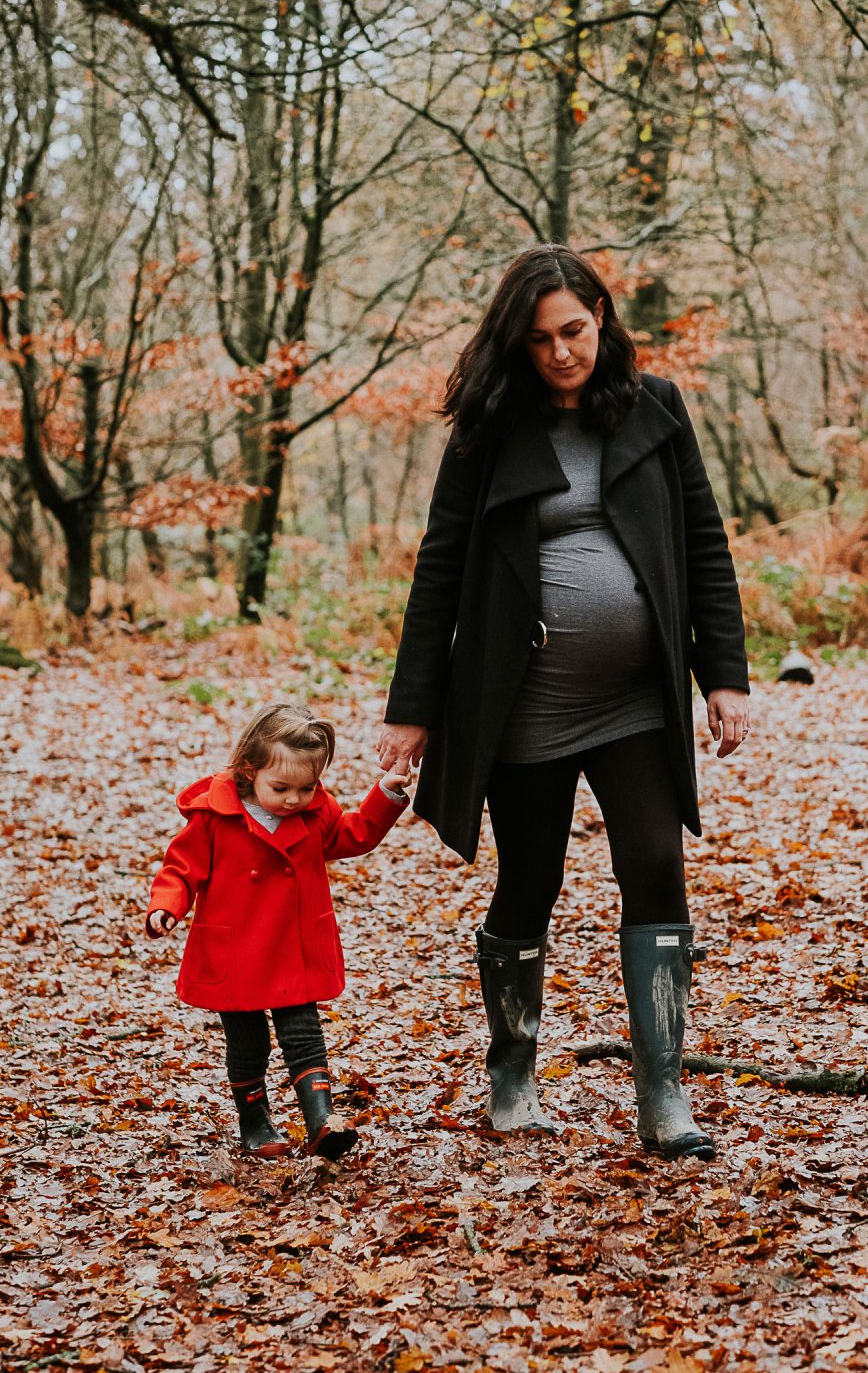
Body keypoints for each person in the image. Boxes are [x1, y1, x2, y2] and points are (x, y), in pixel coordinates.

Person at [378, 245, 750, 1162]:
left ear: (602, 316)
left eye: (575, 331)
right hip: (526, 704)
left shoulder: (655, 407)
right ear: (520, 343)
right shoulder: (490, 429)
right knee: (529, 883)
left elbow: (704, 541)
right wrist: (411, 706)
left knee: (657, 866)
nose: (561, 353)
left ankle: (663, 1093)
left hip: (636, 699)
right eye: (541, 339)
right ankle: (513, 1073)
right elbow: (440, 565)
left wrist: (726, 675)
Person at [146, 702, 410, 1160]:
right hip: (236, 949)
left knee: (303, 1031)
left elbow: (354, 835)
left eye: (306, 788)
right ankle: (255, 1122)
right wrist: (167, 906)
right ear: (249, 770)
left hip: (293, 943)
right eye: (281, 788)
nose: (293, 800)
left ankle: (321, 1120)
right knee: (247, 1043)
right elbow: (181, 868)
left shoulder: (315, 812)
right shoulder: (214, 815)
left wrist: (384, 793)